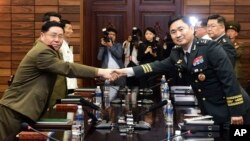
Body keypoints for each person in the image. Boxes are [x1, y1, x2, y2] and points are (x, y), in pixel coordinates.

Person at [114, 16, 250, 129]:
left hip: (235, 111)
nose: (178, 35)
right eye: (173, 32)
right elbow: (157, 66)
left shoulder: (210, 48)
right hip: (212, 111)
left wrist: (236, 112)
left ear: (191, 29)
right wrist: (124, 71)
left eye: (181, 29)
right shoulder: (176, 53)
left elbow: (229, 79)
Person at [0, 21, 114, 141]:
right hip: (13, 111)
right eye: (53, 35)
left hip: (22, 110)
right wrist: (100, 72)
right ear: (42, 35)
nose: (57, 39)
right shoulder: (42, 51)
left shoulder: (49, 50)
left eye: (60, 36)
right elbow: (67, 68)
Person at [97, 27, 126, 101]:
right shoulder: (102, 46)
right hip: (107, 73)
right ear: (106, 36)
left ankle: (119, 111)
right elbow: (99, 58)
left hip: (119, 72)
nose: (111, 36)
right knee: (108, 95)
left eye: (113, 35)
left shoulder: (118, 45)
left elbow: (119, 55)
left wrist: (111, 46)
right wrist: (103, 46)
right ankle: (108, 111)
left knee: (120, 94)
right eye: (110, 34)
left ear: (115, 37)